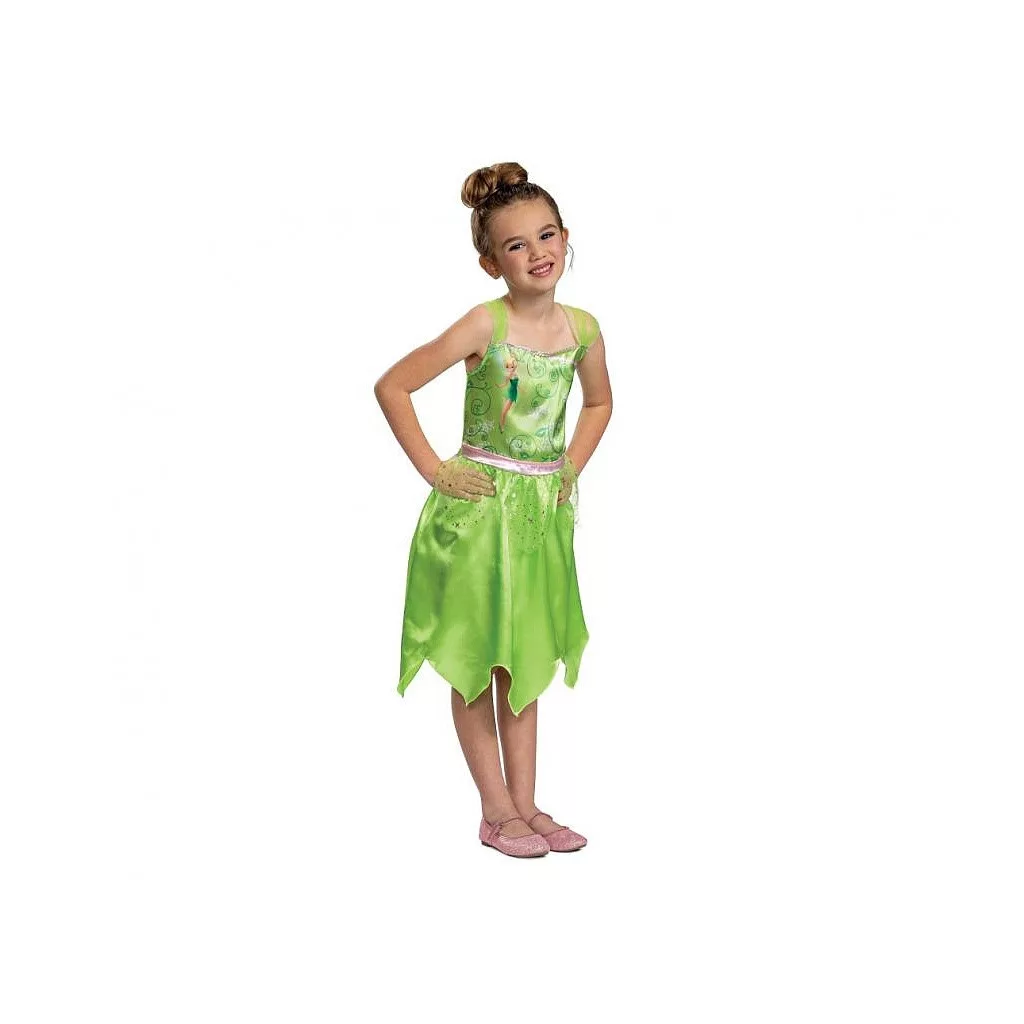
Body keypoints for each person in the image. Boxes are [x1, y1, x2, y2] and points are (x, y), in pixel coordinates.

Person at [374, 162, 613, 858]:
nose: (537, 252)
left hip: (536, 519)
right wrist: (435, 469)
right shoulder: (487, 322)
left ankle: (528, 804)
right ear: (491, 262)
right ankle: (495, 809)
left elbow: (599, 403)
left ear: (566, 237)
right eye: (516, 244)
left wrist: (569, 468)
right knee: (480, 659)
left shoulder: (583, 329)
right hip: (479, 518)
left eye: (547, 235)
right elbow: (393, 386)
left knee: (524, 658)